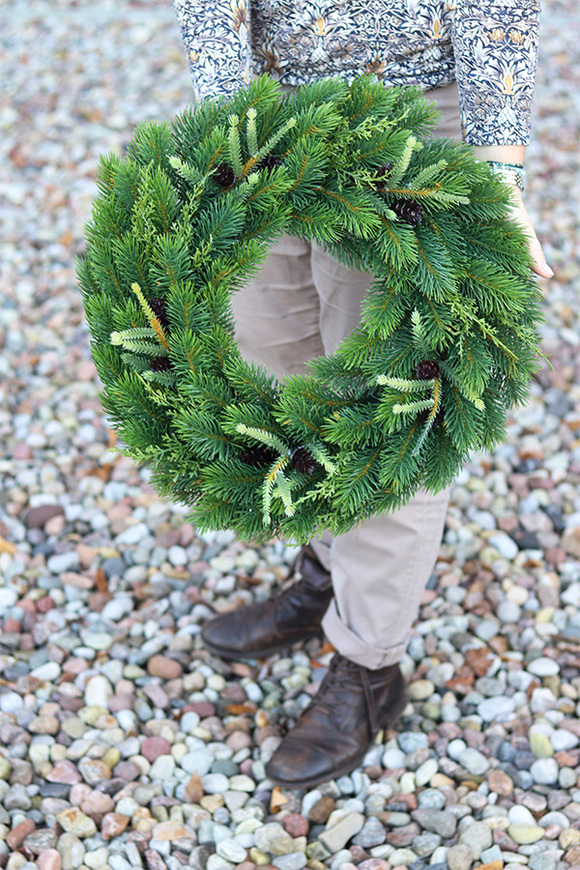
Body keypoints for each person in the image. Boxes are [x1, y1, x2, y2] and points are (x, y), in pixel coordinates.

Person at [172, 0, 552, 789]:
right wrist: (229, 125)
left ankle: (370, 665)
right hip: (271, 117)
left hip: (407, 120)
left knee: (390, 411)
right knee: (280, 366)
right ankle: (326, 571)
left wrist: (499, 177)